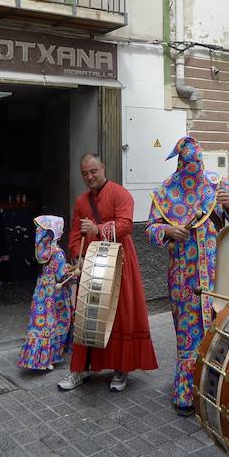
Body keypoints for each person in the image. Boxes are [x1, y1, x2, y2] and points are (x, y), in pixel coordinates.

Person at [146, 136, 229, 415]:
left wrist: (228, 207)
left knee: (220, 329)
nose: (193, 167)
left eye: (197, 162)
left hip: (218, 273)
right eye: (187, 162)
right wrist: (167, 231)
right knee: (188, 335)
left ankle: (216, 391)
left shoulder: (217, 183)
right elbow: (151, 230)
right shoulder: (166, 191)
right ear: (179, 162)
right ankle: (187, 393)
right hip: (183, 277)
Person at [57, 153, 159, 392]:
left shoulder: (120, 193)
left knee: (120, 315)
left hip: (120, 262)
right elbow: (74, 234)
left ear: (102, 167)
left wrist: (98, 228)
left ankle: (121, 369)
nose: (90, 176)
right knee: (86, 316)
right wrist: (77, 255)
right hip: (92, 263)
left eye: (93, 171)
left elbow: (126, 225)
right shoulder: (82, 202)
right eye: (85, 173)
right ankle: (80, 369)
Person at [18, 215, 73, 372]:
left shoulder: (44, 253)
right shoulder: (58, 253)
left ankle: (38, 358)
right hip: (56, 294)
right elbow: (62, 275)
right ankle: (51, 357)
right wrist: (75, 273)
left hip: (42, 291)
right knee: (57, 321)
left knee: (41, 322)